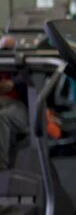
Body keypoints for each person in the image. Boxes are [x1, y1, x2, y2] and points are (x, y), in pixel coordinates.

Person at [0, 35, 29, 170]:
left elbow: (27, 77)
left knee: (2, 117)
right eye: (3, 49)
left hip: (18, 106)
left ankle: (1, 167)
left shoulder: (23, 64)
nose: (6, 52)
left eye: (9, 49)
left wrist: (13, 83)